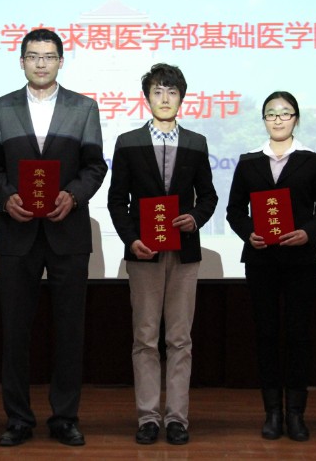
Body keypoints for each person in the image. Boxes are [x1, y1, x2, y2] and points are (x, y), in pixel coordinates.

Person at [0, 28, 107, 447]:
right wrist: (5, 197)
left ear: (60, 62)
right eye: (33, 56)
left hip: (66, 231)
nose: (41, 63)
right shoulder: (1, 108)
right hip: (18, 232)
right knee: (15, 332)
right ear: (21, 61)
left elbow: (95, 166)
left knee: (69, 331)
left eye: (49, 56)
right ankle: (18, 419)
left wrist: (74, 195)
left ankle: (65, 417)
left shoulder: (84, 108)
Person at [107, 63, 217, 446]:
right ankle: (148, 417)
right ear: (147, 97)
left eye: (171, 91)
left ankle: (177, 419)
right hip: (144, 251)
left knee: (180, 338)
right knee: (145, 336)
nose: (165, 98)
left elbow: (209, 196)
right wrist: (130, 239)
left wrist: (195, 218)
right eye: (157, 91)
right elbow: (117, 200)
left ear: (181, 98)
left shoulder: (196, 142)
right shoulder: (127, 142)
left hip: (184, 252)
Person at [225, 91, 316, 442]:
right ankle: (272, 412)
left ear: (296, 118)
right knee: (267, 335)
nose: (278, 119)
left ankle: (296, 414)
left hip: (302, 260)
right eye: (271, 113)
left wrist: (308, 233)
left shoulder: (313, 161)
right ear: (264, 120)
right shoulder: (249, 162)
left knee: (299, 335)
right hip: (261, 260)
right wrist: (249, 233)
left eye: (285, 113)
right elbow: (235, 211)